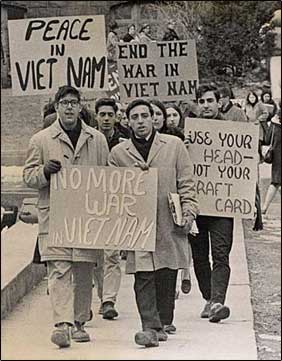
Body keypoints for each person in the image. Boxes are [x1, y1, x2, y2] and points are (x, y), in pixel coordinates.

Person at [23, 85, 109, 348]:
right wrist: (45, 173)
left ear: (81, 106)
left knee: (83, 269)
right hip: (56, 215)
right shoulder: (41, 140)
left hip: (86, 216)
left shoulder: (97, 139)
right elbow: (28, 177)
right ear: (57, 106)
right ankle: (62, 324)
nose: (70, 107)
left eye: (74, 102)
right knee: (59, 269)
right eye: (64, 102)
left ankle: (80, 321)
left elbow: (107, 176)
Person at [108, 98, 199, 347]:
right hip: (138, 224)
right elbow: (113, 192)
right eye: (134, 117)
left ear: (153, 119)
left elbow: (187, 183)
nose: (140, 122)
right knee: (144, 275)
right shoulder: (118, 153)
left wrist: (189, 212)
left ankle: (162, 320)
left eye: (144, 116)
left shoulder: (174, 145)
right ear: (127, 122)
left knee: (166, 274)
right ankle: (149, 326)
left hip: (169, 221)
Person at [189, 83, 234, 323]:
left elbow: (244, 170)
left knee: (220, 254)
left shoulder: (234, 132)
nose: (205, 105)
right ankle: (208, 297)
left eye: (209, 101)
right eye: (201, 101)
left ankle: (218, 301)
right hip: (196, 205)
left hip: (223, 205)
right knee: (199, 256)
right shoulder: (188, 132)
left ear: (219, 102)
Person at [151, 99, 192, 299]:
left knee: (175, 245)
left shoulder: (176, 140)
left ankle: (181, 277)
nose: (155, 118)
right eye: (153, 114)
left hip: (174, 203)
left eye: (160, 114)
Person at [95, 97, 130, 320]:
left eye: (110, 114)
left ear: (116, 116)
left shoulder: (126, 140)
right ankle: (102, 296)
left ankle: (109, 299)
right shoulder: (88, 139)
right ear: (96, 116)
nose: (106, 119)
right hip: (94, 203)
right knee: (96, 256)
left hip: (117, 204)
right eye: (102, 114)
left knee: (112, 254)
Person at [262, 102, 281, 214]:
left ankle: (264, 207)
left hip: (277, 156)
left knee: (275, 182)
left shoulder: (274, 122)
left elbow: (267, 139)